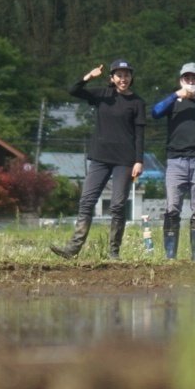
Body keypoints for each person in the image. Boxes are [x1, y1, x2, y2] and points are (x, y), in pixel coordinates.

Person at [52, 60, 147, 260]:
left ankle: (114, 252)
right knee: (87, 201)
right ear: (111, 78)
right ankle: (72, 249)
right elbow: (73, 90)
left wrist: (139, 160)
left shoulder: (137, 103)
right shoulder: (102, 95)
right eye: (119, 75)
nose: (123, 79)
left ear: (131, 78)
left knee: (117, 205)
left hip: (125, 159)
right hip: (100, 157)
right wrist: (88, 76)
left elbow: (139, 134)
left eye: (127, 75)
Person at [149, 62, 195, 261]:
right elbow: (155, 112)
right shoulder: (173, 102)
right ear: (181, 80)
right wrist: (175, 95)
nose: (191, 81)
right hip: (175, 161)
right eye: (187, 78)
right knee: (172, 208)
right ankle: (170, 254)